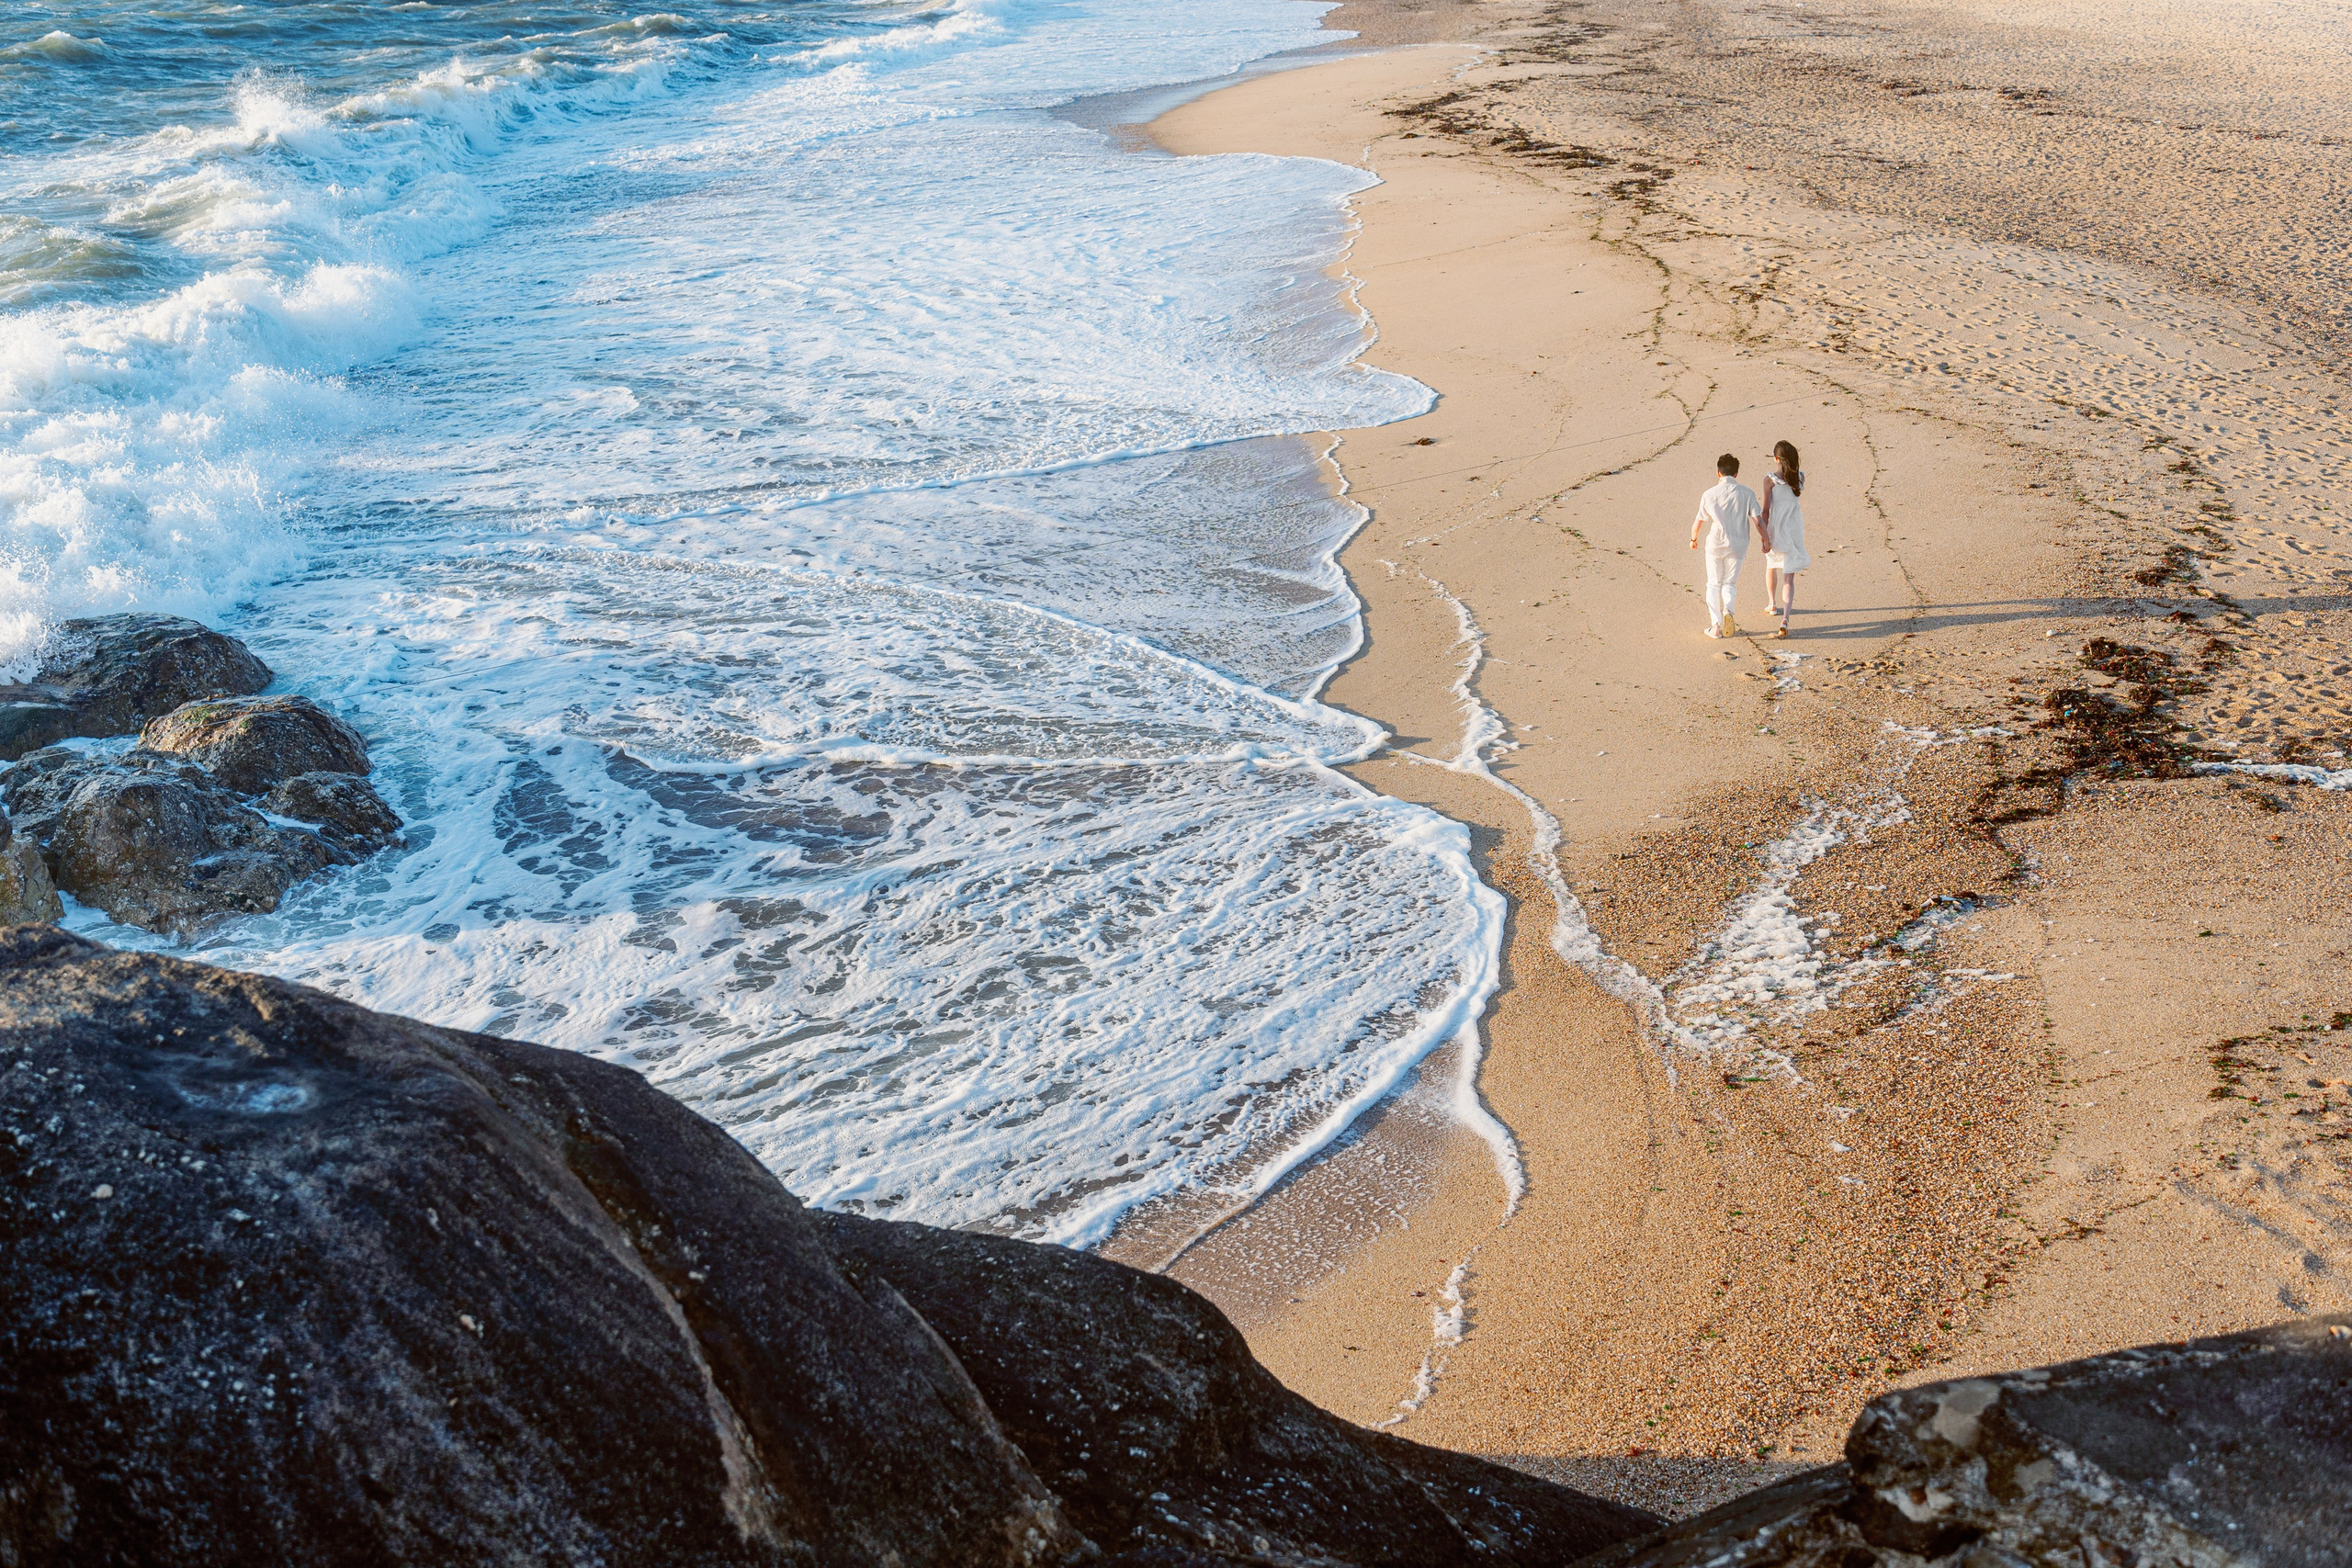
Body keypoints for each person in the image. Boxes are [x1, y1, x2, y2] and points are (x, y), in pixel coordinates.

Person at [1689, 452, 1765, 638]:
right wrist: (1766, 539)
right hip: (1738, 545)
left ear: (1718, 472)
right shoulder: (1747, 493)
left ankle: (1715, 626)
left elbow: (1698, 522)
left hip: (1715, 544)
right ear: (1736, 473)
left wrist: (1693, 539)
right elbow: (1758, 521)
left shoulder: (1709, 494)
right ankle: (1728, 612)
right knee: (1729, 583)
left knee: (1713, 583)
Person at [1761, 440, 1809, 638]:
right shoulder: (1800, 478)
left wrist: (1764, 536)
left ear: (1776, 459)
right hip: (1794, 528)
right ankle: (1785, 619)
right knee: (1788, 577)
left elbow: (1765, 511)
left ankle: (1772, 603)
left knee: (1771, 564)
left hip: (1777, 527)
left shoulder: (1770, 480)